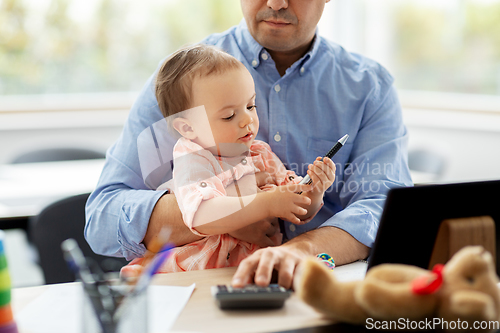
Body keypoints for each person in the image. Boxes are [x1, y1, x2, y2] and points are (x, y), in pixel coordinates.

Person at [85, 0, 413, 289]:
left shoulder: (370, 87)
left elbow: (383, 207)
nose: (276, 2)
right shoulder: (181, 82)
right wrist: (239, 209)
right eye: (228, 115)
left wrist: (300, 247)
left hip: (317, 285)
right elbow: (104, 217)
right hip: (202, 291)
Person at [120, 44, 333, 274]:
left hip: (253, 264)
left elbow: (297, 206)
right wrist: (267, 203)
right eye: (229, 115)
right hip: (204, 269)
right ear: (188, 128)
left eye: (251, 106)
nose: (247, 120)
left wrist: (314, 189)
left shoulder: (259, 153)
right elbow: (201, 215)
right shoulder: (194, 157)